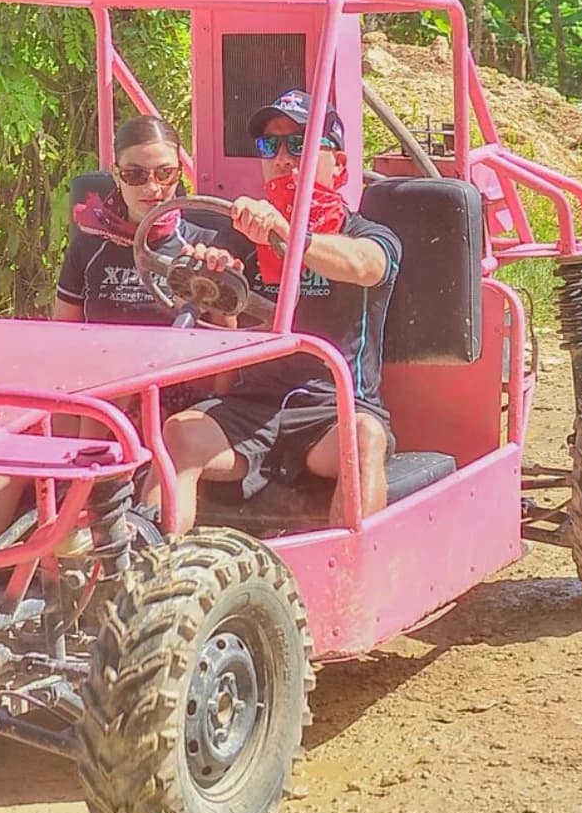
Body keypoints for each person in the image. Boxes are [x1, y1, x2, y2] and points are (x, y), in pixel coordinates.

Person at [0, 114, 215, 586]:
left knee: (108, 407)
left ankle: (87, 545)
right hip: (97, 396)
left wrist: (214, 287)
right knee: (21, 437)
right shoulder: (92, 244)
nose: (153, 187)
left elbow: (225, 364)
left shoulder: (202, 246)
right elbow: (63, 340)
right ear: (116, 175)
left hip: (168, 400)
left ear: (179, 173)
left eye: (165, 174)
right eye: (136, 175)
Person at [160, 89, 402, 533]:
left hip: (335, 408)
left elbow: (365, 266)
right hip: (252, 407)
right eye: (272, 146)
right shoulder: (240, 236)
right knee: (178, 434)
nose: (286, 157)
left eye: (302, 144)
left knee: (364, 439)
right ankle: (148, 576)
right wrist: (210, 277)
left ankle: (352, 587)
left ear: (339, 165)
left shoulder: (367, 234)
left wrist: (290, 236)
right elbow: (213, 322)